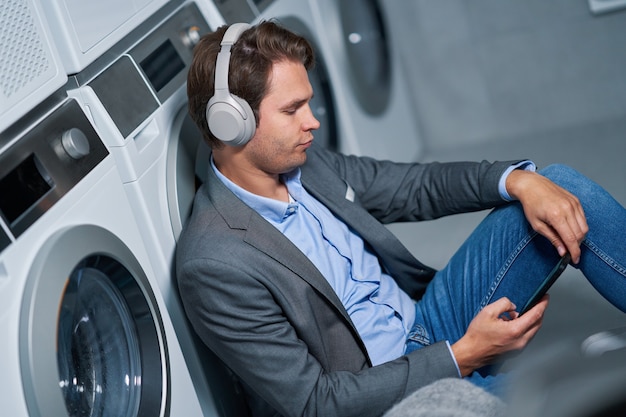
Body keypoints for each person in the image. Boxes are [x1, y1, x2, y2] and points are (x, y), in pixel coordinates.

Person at [177, 21, 626, 417]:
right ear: (229, 123)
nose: (312, 122)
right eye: (292, 110)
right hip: (381, 392)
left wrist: (517, 182)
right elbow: (316, 402)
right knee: (579, 391)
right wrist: (463, 356)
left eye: (308, 103)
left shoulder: (303, 164)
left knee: (561, 187)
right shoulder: (214, 262)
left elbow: (415, 186)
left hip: (428, 320)